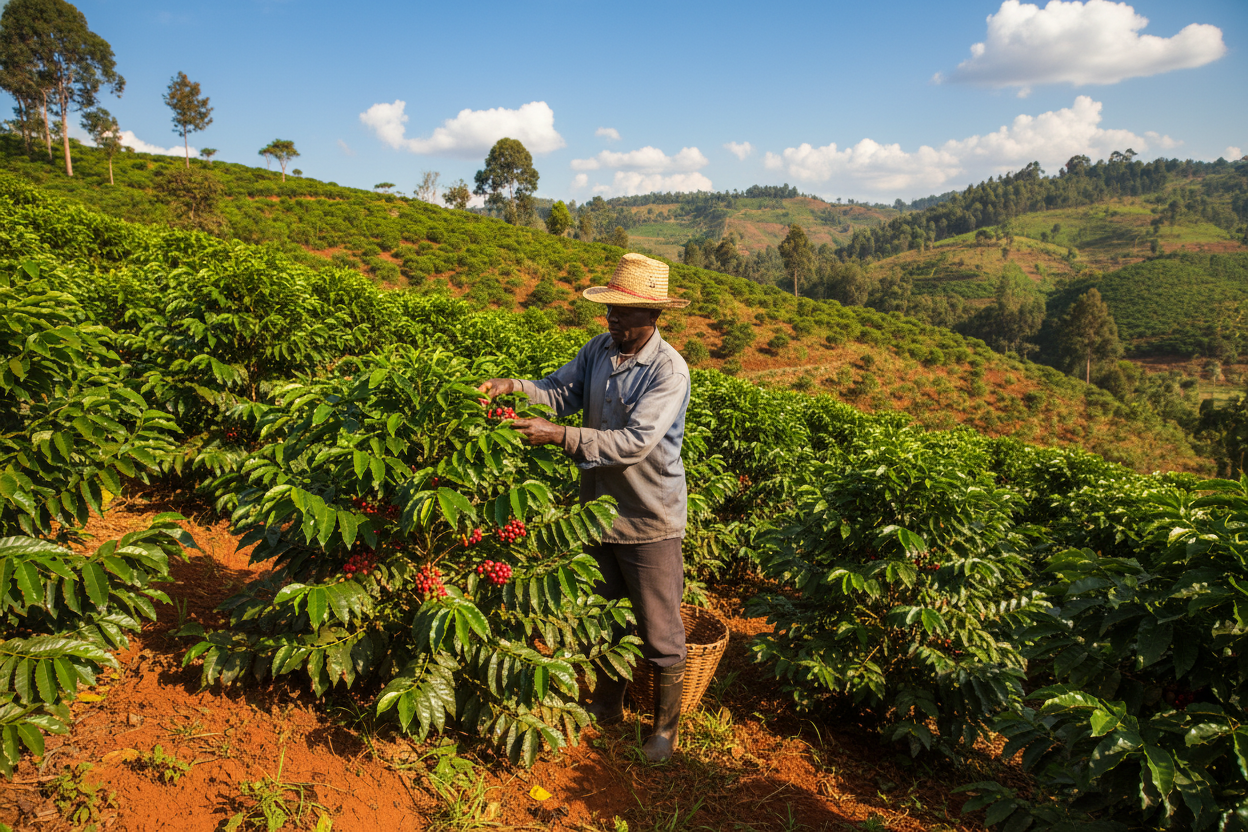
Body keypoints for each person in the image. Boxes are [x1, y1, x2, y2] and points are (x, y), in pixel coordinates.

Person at [477, 252, 692, 762]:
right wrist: (514, 388)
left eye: (622, 311)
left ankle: (666, 730)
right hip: (596, 512)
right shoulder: (598, 350)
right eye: (610, 309)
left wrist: (560, 437)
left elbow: (636, 442)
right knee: (603, 614)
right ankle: (607, 703)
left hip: (648, 519)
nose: (611, 318)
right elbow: (557, 391)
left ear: (652, 315)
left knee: (659, 629)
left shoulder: (668, 371)